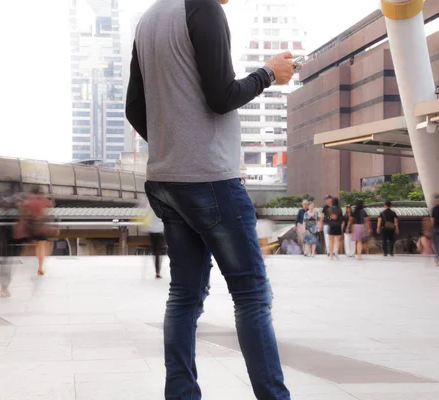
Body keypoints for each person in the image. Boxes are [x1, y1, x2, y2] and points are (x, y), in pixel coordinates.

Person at [126, 0, 294, 398]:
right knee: (251, 294)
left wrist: (173, 148)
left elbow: (134, 109)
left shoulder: (148, 19)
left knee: (184, 295)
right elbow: (222, 96)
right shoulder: (205, 9)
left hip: (165, 180)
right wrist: (270, 72)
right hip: (211, 180)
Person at [16, 187, 53, 276]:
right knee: (42, 246)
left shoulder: (29, 201)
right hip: (41, 227)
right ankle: (40, 267)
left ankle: (24, 263)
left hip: (31, 226)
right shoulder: (43, 200)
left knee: (32, 245)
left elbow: (22, 209)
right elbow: (50, 207)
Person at [141, 200, 164, 279]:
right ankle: (158, 271)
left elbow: (145, 214)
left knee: (155, 251)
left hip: (152, 229)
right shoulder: (162, 203)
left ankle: (157, 270)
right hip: (159, 230)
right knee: (158, 251)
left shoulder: (149, 203)